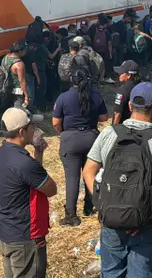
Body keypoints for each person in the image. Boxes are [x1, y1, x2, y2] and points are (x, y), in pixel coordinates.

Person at [83, 83, 152, 277]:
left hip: (111, 221)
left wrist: (102, 204)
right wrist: (146, 214)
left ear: (129, 106)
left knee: (111, 273)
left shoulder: (109, 134)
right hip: (146, 228)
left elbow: (88, 171)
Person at [0, 108, 57, 278]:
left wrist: (38, 153)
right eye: (31, 127)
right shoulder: (24, 163)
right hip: (25, 238)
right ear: (22, 132)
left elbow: (29, 181)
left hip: (7, 232)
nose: (34, 130)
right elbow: (51, 189)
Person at [52, 67, 108, 226]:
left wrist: (62, 133)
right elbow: (104, 117)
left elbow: (56, 122)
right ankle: (90, 207)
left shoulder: (63, 97)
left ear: (71, 80)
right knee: (91, 174)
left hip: (70, 139)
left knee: (72, 178)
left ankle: (71, 215)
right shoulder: (95, 95)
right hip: (91, 138)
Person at [112, 61, 141, 125]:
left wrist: (113, 128)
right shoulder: (140, 86)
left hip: (124, 125)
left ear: (128, 75)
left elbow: (117, 114)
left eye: (121, 73)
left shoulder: (123, 90)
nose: (119, 74)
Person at [89, 15, 115, 84]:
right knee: (103, 65)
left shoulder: (92, 28)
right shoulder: (106, 31)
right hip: (104, 51)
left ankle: (95, 78)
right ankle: (102, 79)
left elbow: (90, 39)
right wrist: (110, 53)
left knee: (96, 64)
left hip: (95, 50)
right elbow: (109, 44)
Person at [4, 41, 30, 109]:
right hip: (17, 91)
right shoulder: (19, 64)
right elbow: (22, 81)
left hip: (7, 88)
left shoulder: (6, 57)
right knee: (19, 110)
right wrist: (26, 96)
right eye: (25, 50)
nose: (26, 51)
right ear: (20, 51)